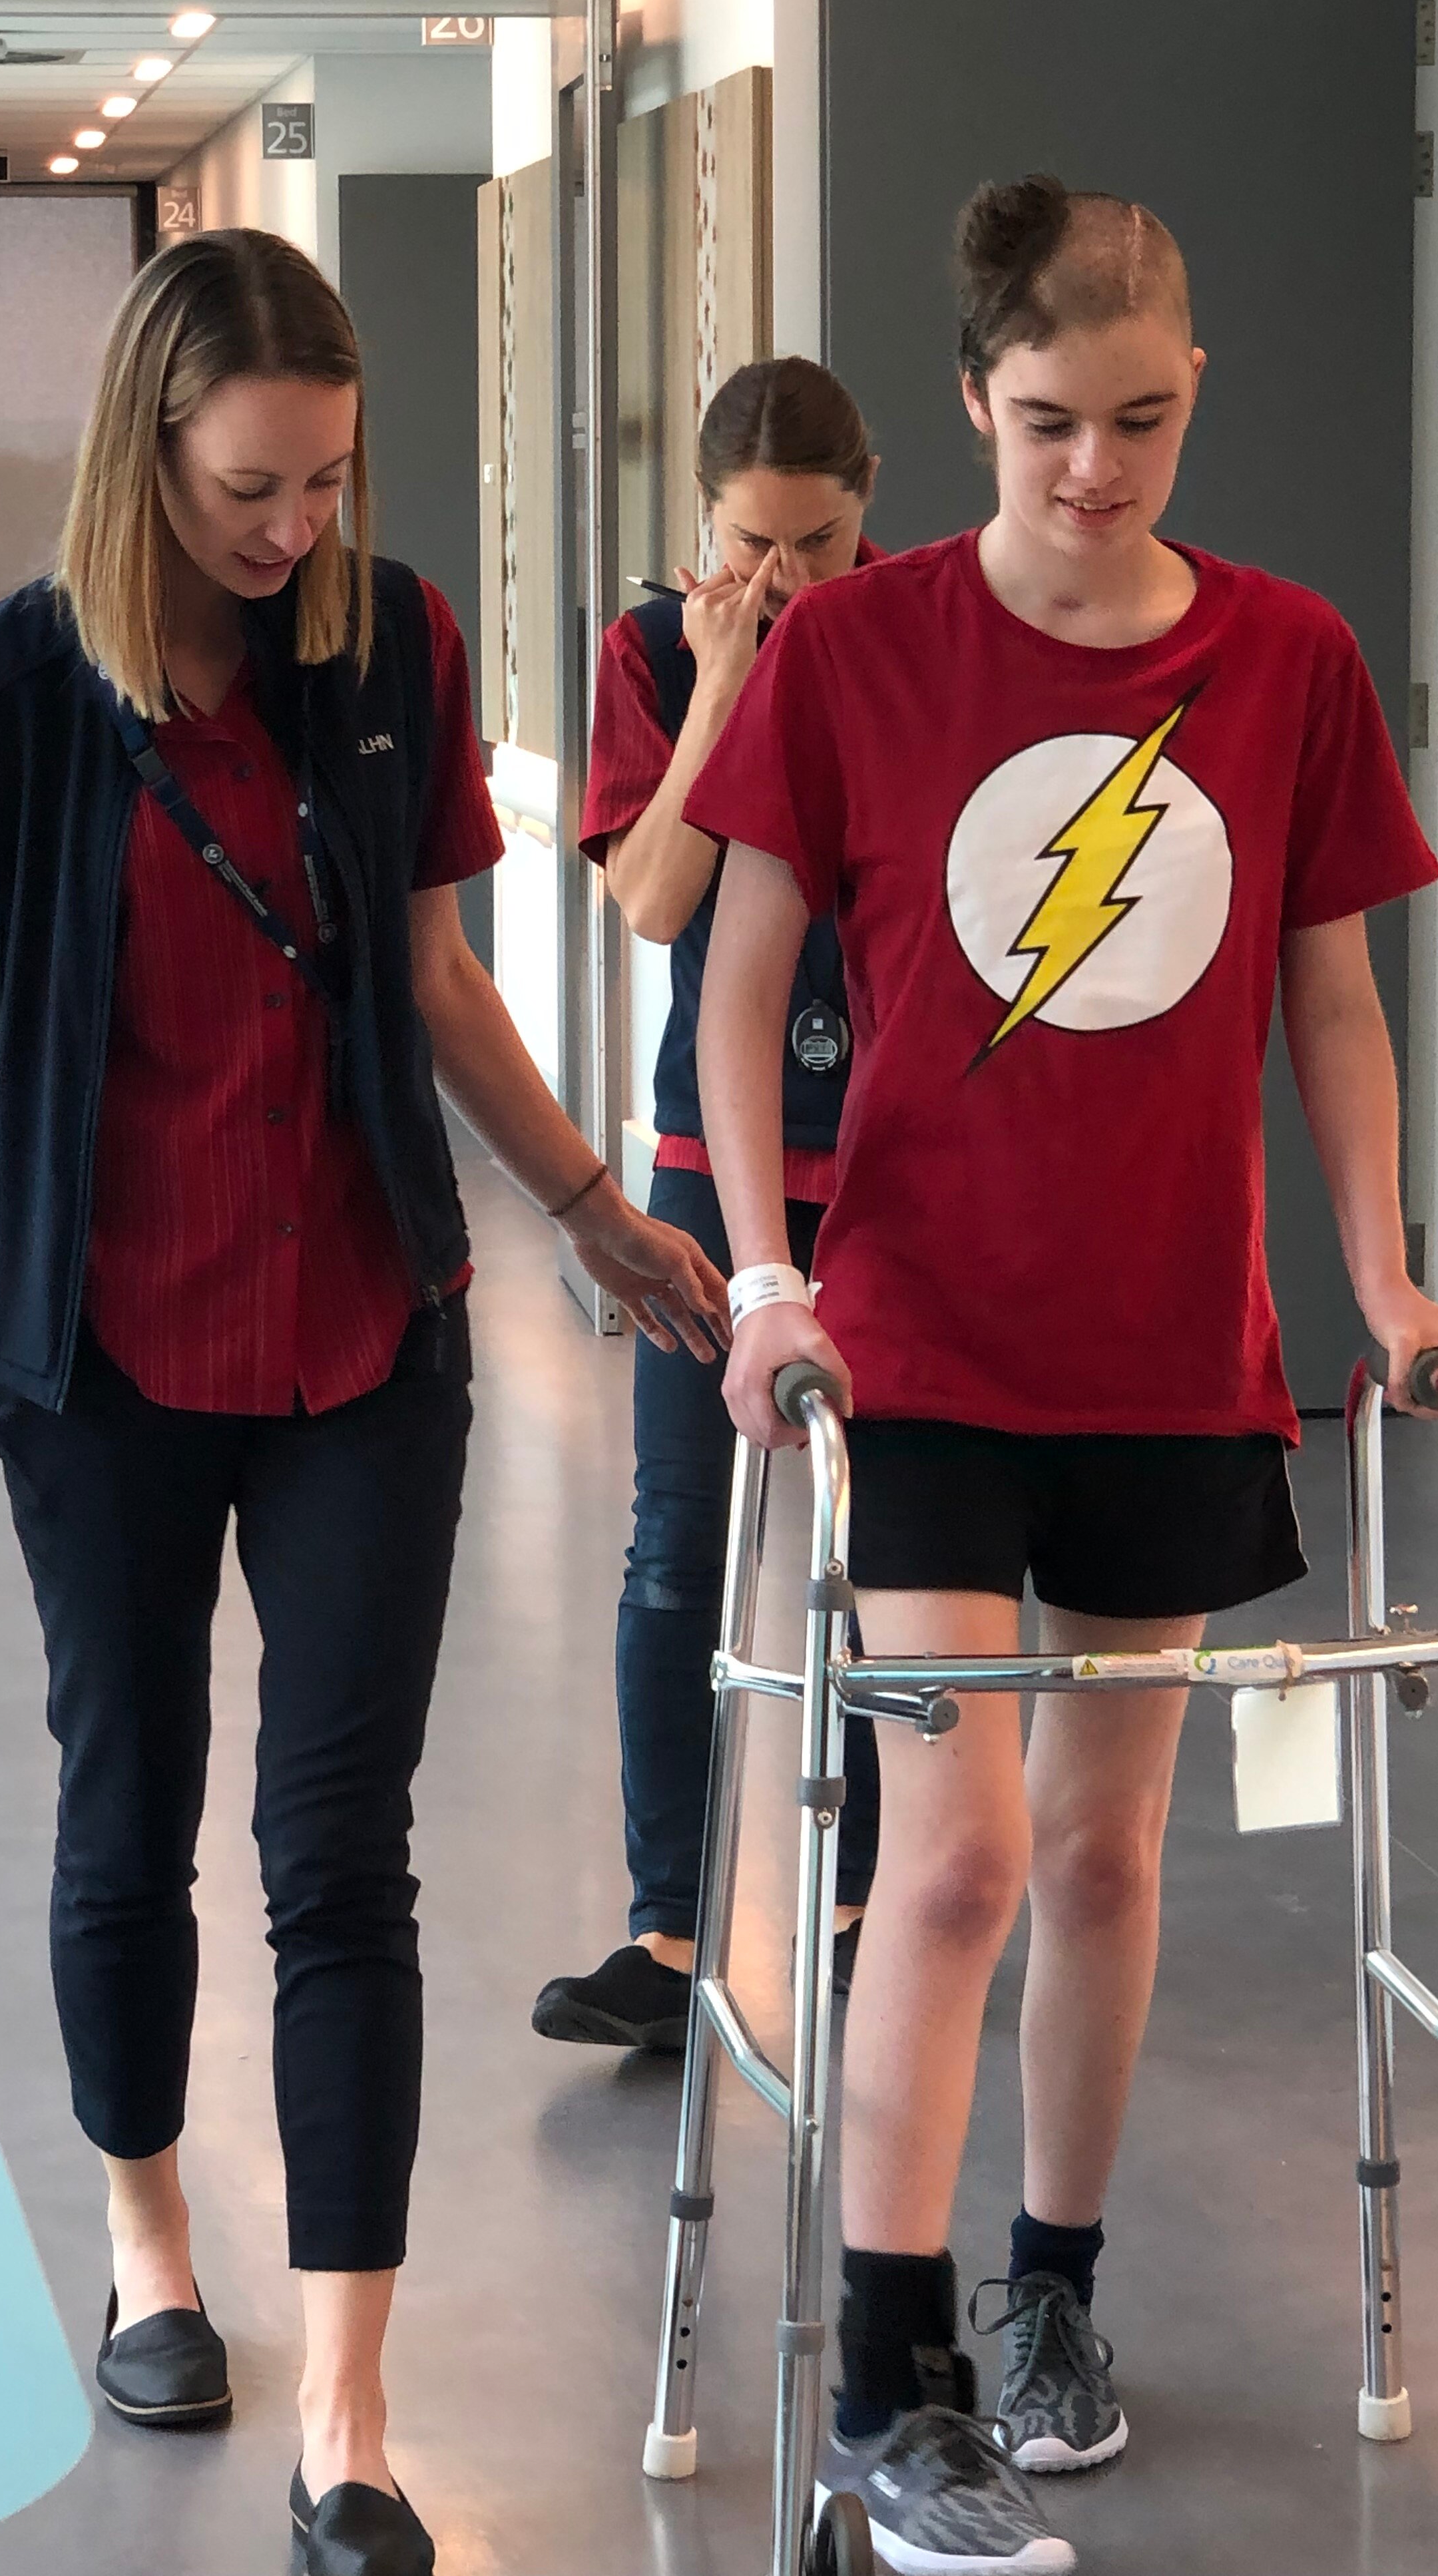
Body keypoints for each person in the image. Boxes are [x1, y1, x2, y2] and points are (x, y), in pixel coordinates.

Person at [0, 228, 726, 2576]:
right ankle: (150, 2243)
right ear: (152, 448)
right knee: (127, 1810)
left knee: (341, 1856)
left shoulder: (389, 645)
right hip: (100, 1355)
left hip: (360, 1339)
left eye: (329, 480)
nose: (294, 529)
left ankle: (351, 2413)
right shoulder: (6, 696)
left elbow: (432, 970)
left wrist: (582, 1203)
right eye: (253, 484)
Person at [686, 176, 1438, 2574]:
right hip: (916, 1342)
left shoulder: (1287, 662)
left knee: (1113, 1853)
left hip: (1167, 1347)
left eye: (1140, 422)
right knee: (946, 1859)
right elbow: (740, 981)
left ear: (1193, 391)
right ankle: (887, 2359)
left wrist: (1385, 1271)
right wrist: (757, 1277)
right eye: (1046, 424)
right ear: (970, 401)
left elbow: (1330, 999)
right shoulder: (858, 656)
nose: (1093, 473)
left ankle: (1049, 2297)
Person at [533, 359, 885, 2056]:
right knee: (677, 1552)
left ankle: (860, 1914)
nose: (790, 577)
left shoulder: (922, 636)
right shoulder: (655, 654)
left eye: (820, 542)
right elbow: (658, 900)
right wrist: (734, 683)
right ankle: (671, 1935)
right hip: (706, 1168)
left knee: (883, 1559)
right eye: (755, 541)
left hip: (891, 1170)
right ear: (704, 527)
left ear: (869, 508)